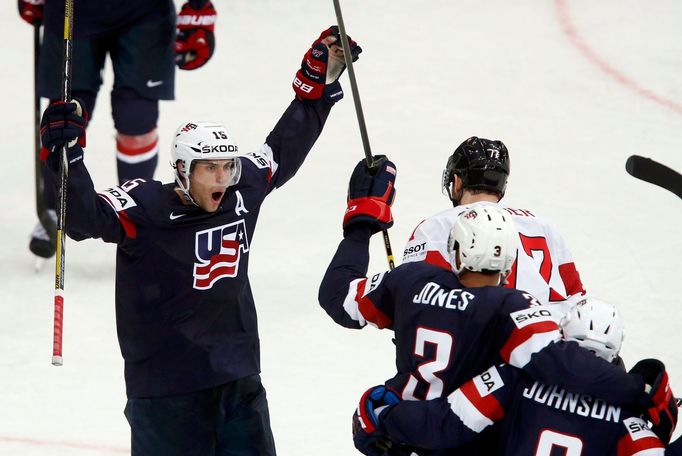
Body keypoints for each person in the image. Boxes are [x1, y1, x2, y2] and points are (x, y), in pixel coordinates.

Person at [37, 26, 361, 455]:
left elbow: (282, 149)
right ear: (183, 169)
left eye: (227, 166)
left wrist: (319, 84)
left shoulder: (241, 190)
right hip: (163, 391)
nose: (223, 178)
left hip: (237, 377)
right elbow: (81, 220)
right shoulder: (143, 205)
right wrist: (65, 156)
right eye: (211, 168)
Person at [318, 159, 667, 455]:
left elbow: (337, 296)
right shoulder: (509, 307)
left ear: (454, 249)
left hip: (406, 431)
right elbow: (559, 363)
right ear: (510, 261)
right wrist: (639, 390)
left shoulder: (409, 281)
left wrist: (363, 220)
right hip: (468, 436)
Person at [18, 0, 218, 258]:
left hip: (144, 13)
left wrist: (199, 6)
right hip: (72, 11)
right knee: (63, 117)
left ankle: (138, 216)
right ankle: (56, 210)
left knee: (137, 118)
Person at [354, 297, 679, 455]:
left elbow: (446, 424)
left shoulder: (514, 377)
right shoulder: (628, 416)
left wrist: (384, 415)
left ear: (562, 335)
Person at [402, 136, 585, 318]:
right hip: (546, 337)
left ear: (457, 182)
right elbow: (578, 299)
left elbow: (416, 297)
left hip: (477, 339)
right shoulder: (543, 225)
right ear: (503, 185)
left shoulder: (436, 226)